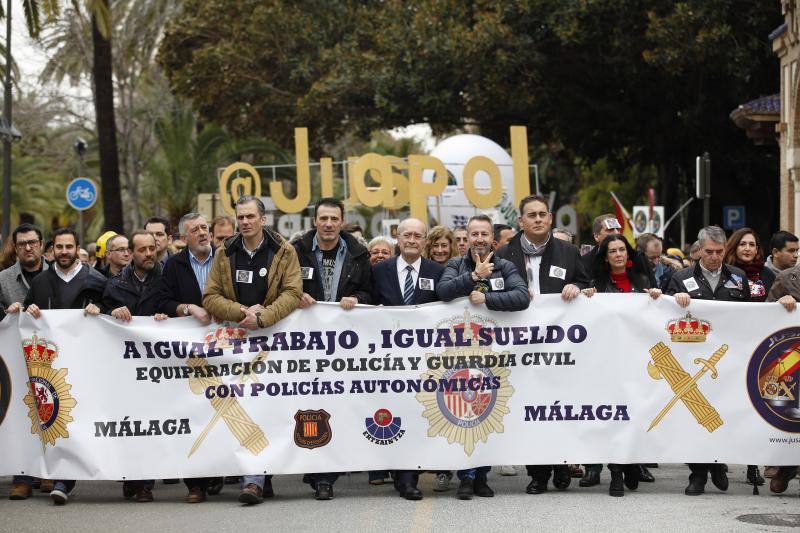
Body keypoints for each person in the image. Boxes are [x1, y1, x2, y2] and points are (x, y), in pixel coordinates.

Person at [203, 195, 302, 505]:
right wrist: (242, 312)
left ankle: (261, 475)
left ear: (263, 220)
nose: (244, 222)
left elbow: (293, 291)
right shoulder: (224, 251)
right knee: (243, 406)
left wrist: (263, 317)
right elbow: (210, 296)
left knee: (267, 407)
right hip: (234, 343)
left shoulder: (284, 251)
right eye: (240, 217)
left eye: (249, 217)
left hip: (272, 341)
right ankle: (254, 479)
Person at [495, 194, 590, 494]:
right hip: (520, 347)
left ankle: (562, 465)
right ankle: (537, 473)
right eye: (531, 215)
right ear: (520, 221)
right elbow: (493, 290)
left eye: (542, 214)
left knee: (557, 407)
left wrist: (578, 286)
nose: (537, 219)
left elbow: (588, 284)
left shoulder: (568, 251)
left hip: (559, 346)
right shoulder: (504, 253)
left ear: (550, 219)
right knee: (528, 407)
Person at [437, 214, 529, 500]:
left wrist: (487, 299)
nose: (479, 239)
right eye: (473, 234)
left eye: (484, 234)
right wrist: (475, 277)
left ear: (492, 238)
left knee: (485, 409)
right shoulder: (456, 264)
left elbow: (522, 297)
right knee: (462, 413)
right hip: (460, 352)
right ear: (466, 237)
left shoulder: (505, 265)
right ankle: (465, 476)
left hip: (492, 355)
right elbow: (443, 291)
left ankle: (482, 477)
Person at [665, 226, 753, 495]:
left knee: (722, 414)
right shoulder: (681, 277)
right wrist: (674, 300)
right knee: (693, 416)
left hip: (727, 358)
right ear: (699, 250)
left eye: (720, 251)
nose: (715, 257)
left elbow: (750, 316)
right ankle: (698, 473)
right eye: (709, 252)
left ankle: (718, 463)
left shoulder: (738, 277)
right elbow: (662, 314)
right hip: (691, 358)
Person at [293, 197, 372, 500]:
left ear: (341, 222)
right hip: (304, 345)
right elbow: (280, 288)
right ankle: (315, 468)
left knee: (337, 404)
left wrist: (358, 299)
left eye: (334, 219)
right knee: (309, 405)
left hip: (343, 346)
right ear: (315, 221)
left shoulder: (358, 254)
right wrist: (295, 295)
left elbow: (370, 291)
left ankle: (326, 474)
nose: (328, 224)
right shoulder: (296, 251)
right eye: (323, 218)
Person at [23, 227, 106, 505]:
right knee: (62, 417)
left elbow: (113, 312)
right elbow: (24, 316)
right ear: (52, 251)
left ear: (77, 247)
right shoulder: (40, 282)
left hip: (88, 363)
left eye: (69, 247)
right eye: (59, 247)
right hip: (53, 366)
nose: (64, 252)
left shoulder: (96, 279)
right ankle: (63, 479)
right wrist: (28, 311)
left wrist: (101, 309)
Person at [583, 234, 662, 496]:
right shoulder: (596, 283)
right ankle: (616, 472)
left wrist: (656, 296)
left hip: (637, 359)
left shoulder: (641, 280)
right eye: (613, 251)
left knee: (635, 414)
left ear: (628, 254)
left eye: (622, 250)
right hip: (607, 360)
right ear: (605, 257)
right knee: (614, 416)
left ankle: (630, 464)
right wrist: (587, 297)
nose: (618, 254)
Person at [372, 218, 444, 499]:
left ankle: (409, 475)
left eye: (418, 236)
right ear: (397, 239)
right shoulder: (379, 271)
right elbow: (368, 298)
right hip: (389, 358)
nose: (412, 240)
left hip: (426, 359)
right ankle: (402, 475)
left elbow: (449, 301)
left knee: (418, 414)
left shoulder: (438, 271)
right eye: (407, 235)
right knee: (396, 414)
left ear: (425, 241)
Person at [102, 230, 169, 503]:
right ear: (131, 253)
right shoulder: (115, 284)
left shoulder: (167, 279)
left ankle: (145, 483)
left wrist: (170, 311)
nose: (149, 254)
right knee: (130, 423)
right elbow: (100, 316)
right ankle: (131, 476)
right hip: (126, 368)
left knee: (152, 423)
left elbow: (175, 303)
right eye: (142, 250)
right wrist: (112, 312)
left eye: (152, 248)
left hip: (156, 367)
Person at [156, 213, 218, 502]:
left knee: (226, 408)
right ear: (183, 238)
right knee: (194, 413)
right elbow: (163, 301)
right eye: (195, 230)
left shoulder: (226, 258)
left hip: (226, 350)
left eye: (205, 228)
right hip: (190, 354)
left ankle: (224, 471)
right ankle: (196, 484)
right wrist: (187, 308)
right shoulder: (173, 265)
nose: (203, 233)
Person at [722, 227, 775, 487]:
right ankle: (717, 459)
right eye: (742, 243)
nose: (747, 248)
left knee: (753, 406)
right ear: (734, 246)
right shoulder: (725, 272)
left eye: (752, 244)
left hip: (758, 349)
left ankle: (753, 464)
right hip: (728, 347)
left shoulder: (767, 275)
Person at [1, 223, 50, 500]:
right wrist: (7, 313)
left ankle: (48, 472)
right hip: (16, 360)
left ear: (42, 244)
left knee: (49, 408)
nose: (28, 248)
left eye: (32, 242)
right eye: (22, 244)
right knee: (22, 414)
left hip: (50, 358)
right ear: (15, 248)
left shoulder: (56, 274)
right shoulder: (4, 279)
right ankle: (22, 476)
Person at [765, 257, 800, 494]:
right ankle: (786, 467)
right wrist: (780, 303)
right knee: (790, 414)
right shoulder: (787, 277)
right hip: (791, 358)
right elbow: (765, 315)